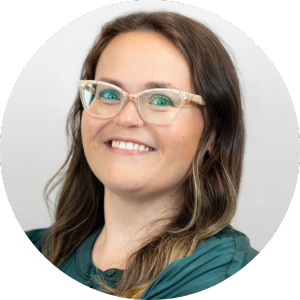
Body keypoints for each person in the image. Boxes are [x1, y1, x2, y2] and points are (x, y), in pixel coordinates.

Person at [25, 11, 259, 299]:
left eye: (161, 99)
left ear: (214, 134)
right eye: (109, 94)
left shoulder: (219, 271)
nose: (126, 118)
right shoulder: (40, 245)